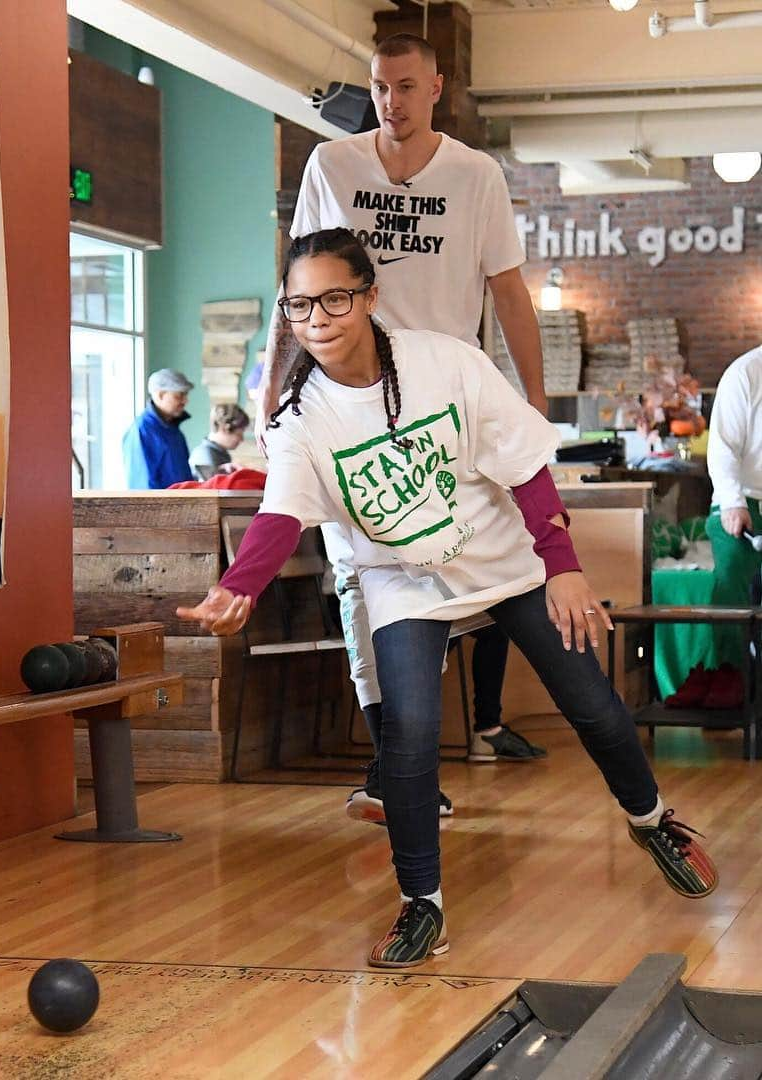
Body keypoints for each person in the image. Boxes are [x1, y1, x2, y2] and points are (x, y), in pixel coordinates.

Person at [178, 230, 717, 967]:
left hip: (505, 558)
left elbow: (524, 464)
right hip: (403, 576)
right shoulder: (300, 422)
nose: (319, 318)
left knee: (591, 702)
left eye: (336, 298)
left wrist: (562, 565)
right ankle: (421, 905)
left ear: (371, 297)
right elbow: (279, 516)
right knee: (409, 731)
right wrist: (238, 585)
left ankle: (651, 820)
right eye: (300, 305)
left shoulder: (443, 362)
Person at [258, 33, 551, 813]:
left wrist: (536, 398)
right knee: (358, 579)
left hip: (445, 401)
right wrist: (270, 388)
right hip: (346, 393)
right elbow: (296, 281)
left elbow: (511, 293)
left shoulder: (474, 174)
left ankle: (424, 757)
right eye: (383, 87)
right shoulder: (332, 165)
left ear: (438, 89)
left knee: (451, 576)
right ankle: (397, 766)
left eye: (409, 87)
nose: (394, 102)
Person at [705, 344, 762, 681]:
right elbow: (722, 445)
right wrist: (732, 502)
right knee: (732, 587)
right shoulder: (745, 372)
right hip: (740, 503)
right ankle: (730, 682)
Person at [123, 369, 195, 490]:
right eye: (179, 395)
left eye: (185, 395)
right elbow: (142, 487)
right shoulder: (141, 431)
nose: (185, 401)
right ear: (160, 395)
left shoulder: (175, 432)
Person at [189, 403, 251, 480]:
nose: (242, 439)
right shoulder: (205, 454)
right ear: (224, 428)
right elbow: (212, 489)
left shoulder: (218, 453)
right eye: (239, 434)